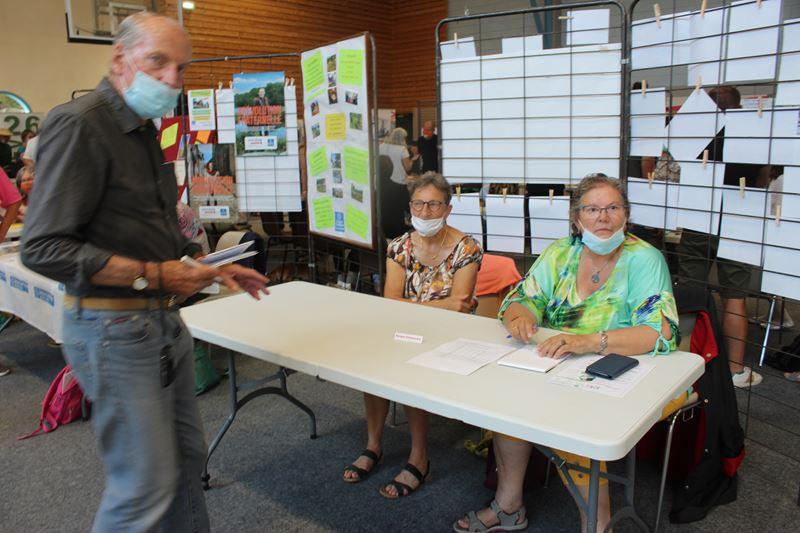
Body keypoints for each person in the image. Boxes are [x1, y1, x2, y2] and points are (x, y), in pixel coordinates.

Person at [20, 12, 268, 532]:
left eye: (181, 68)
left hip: (158, 324)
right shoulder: (81, 123)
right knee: (144, 488)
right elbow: (42, 248)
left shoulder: (140, 129)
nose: (171, 80)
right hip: (113, 330)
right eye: (158, 62)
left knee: (183, 468)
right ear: (119, 59)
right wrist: (157, 276)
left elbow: (148, 226)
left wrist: (206, 265)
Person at [454, 174, 679, 533]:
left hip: (621, 368)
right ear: (576, 219)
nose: (602, 217)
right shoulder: (561, 252)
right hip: (557, 361)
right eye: (592, 209)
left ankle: (597, 525)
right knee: (505, 402)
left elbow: (660, 331)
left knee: (572, 420)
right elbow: (522, 298)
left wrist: (589, 341)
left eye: (612, 208)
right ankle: (509, 506)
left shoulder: (644, 259)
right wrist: (521, 314)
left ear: (626, 216)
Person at [343, 172, 483, 499]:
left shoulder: (467, 246)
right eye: (419, 204)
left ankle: (419, 457)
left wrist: (421, 306)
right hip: (406, 329)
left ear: (448, 209)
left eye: (434, 205)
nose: (425, 212)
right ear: (410, 207)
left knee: (410, 367)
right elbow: (391, 302)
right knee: (373, 363)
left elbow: (461, 308)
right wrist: (442, 303)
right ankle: (373, 445)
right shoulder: (400, 246)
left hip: (453, 334)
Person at [677, 86, 764, 388]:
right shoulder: (754, 132)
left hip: (699, 217)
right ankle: (736, 369)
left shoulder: (695, 133)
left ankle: (684, 362)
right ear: (739, 105)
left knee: (690, 289)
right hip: (740, 218)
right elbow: (765, 177)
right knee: (735, 297)